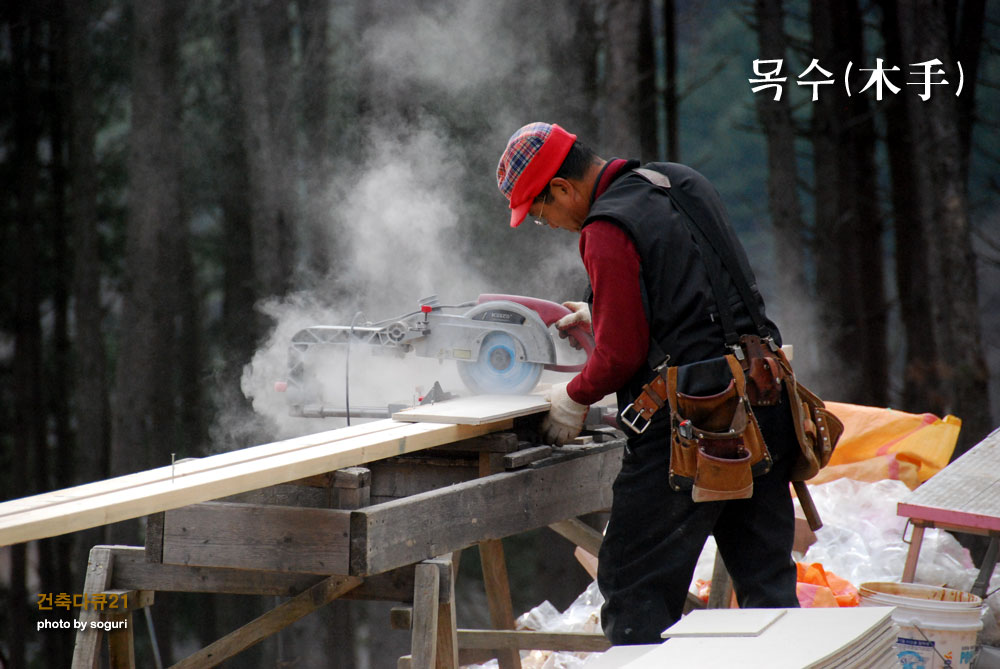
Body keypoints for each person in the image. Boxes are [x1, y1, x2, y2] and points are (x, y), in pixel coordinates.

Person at [495, 122, 801, 644]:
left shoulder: (605, 229)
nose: (550, 223)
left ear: (563, 188)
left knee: (633, 587)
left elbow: (620, 357)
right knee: (767, 588)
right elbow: (705, 290)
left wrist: (571, 398)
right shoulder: (679, 181)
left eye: (542, 213)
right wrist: (607, 310)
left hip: (689, 426)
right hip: (762, 396)